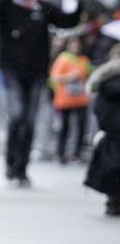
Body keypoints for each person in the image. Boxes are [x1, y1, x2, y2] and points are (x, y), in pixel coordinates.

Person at [0, 0, 83, 186]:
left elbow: (67, 20)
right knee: (17, 116)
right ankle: (10, 163)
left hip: (36, 73)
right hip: (12, 71)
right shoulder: (6, 6)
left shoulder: (42, 7)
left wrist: (77, 1)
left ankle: (22, 169)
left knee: (30, 121)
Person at [84, 42, 120, 216]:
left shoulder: (104, 79)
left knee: (112, 169)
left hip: (111, 133)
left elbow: (99, 109)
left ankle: (113, 200)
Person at [49, 35, 92, 164]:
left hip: (81, 99)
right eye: (73, 44)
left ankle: (77, 154)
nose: (75, 46)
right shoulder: (63, 59)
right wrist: (69, 77)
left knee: (81, 127)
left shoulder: (84, 60)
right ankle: (60, 153)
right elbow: (54, 78)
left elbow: (89, 77)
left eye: (77, 44)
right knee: (64, 127)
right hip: (65, 100)